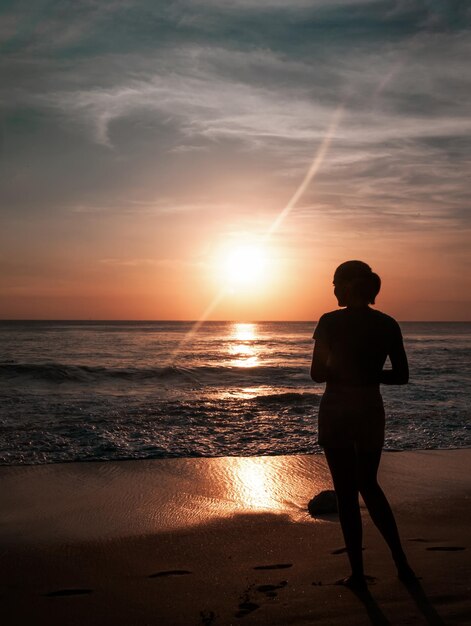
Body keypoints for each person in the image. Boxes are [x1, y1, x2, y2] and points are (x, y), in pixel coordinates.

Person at [310, 260, 415, 591]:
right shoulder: (387, 324)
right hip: (370, 408)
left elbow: (316, 373)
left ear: (348, 286)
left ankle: (357, 574)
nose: (334, 291)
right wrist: (367, 375)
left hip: (338, 408)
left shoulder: (329, 322)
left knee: (345, 493)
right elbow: (400, 375)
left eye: (336, 284)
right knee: (369, 485)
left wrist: (344, 372)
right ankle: (402, 564)